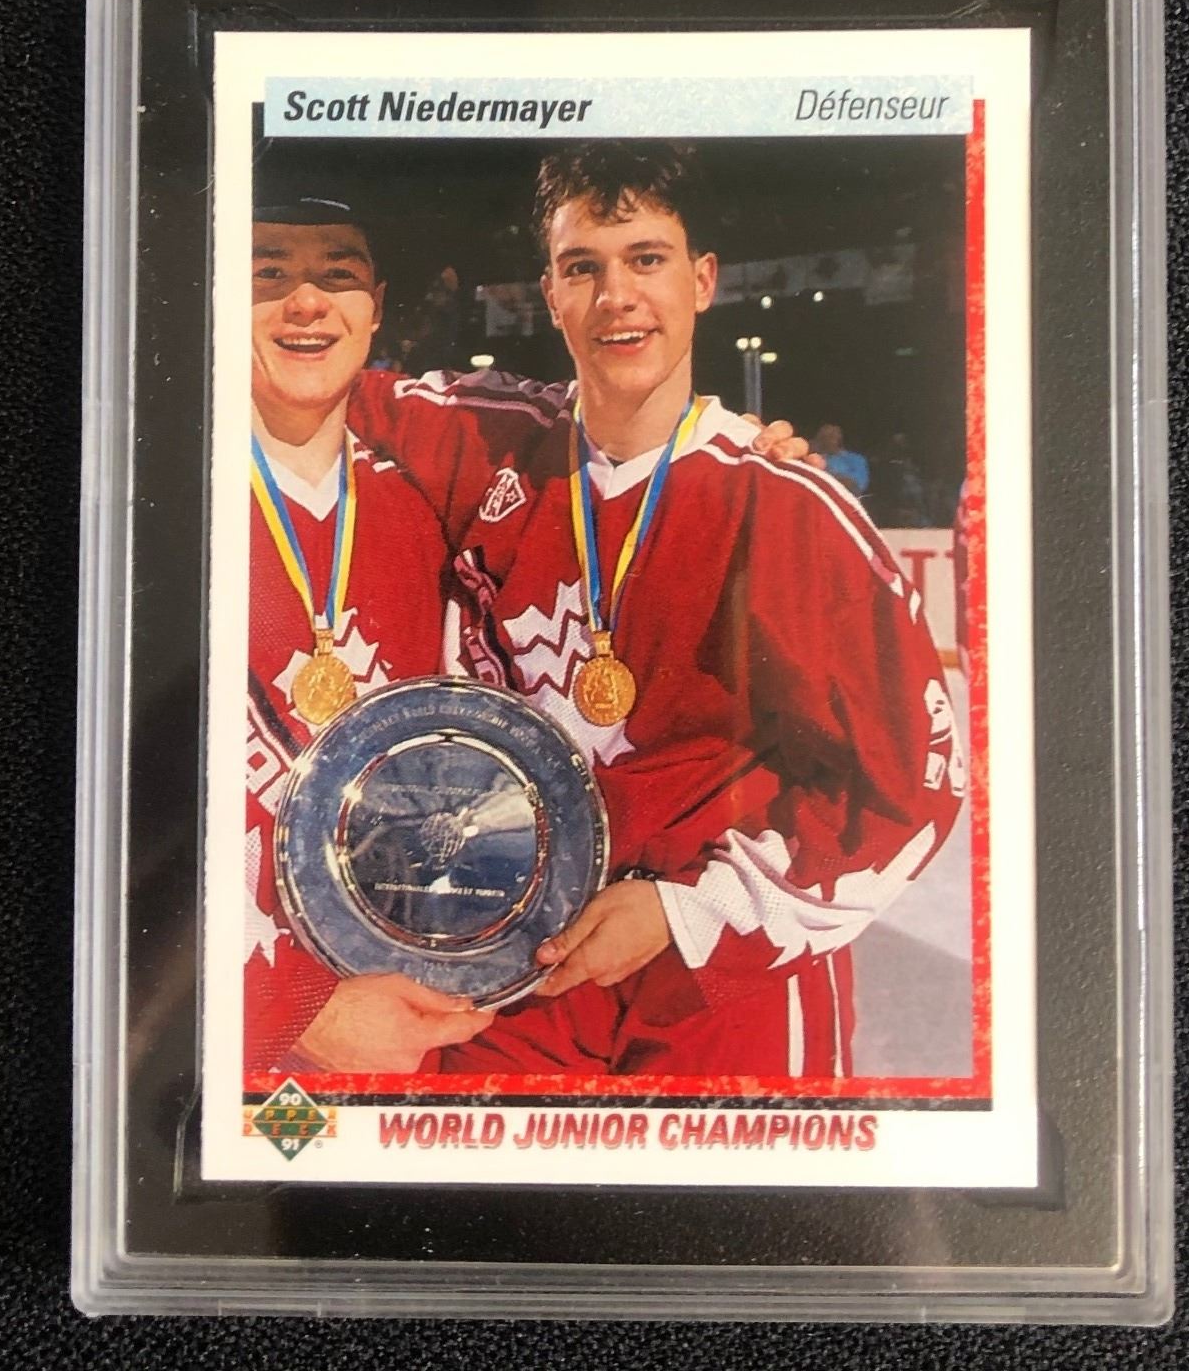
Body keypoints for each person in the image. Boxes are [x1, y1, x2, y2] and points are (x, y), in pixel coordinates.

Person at [351, 142, 962, 1078]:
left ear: (702, 280)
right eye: (582, 268)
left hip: (718, 981)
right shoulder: (486, 441)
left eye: (647, 259)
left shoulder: (784, 506)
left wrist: (688, 910)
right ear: (550, 295)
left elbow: (912, 787)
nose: (617, 296)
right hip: (511, 968)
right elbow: (299, 376)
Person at [242, 171, 492, 1082]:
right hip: (221, 1039)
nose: (306, 302)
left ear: (376, 308)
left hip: (394, 1020)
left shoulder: (422, 509)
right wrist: (291, 1009)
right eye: (268, 273)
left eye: (338, 274)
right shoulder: (150, 495)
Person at [812, 422, 870, 499]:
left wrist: (831, 476)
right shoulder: (812, 458)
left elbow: (857, 486)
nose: (828, 440)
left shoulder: (856, 459)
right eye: (824, 436)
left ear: (839, 439)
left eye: (832, 436)